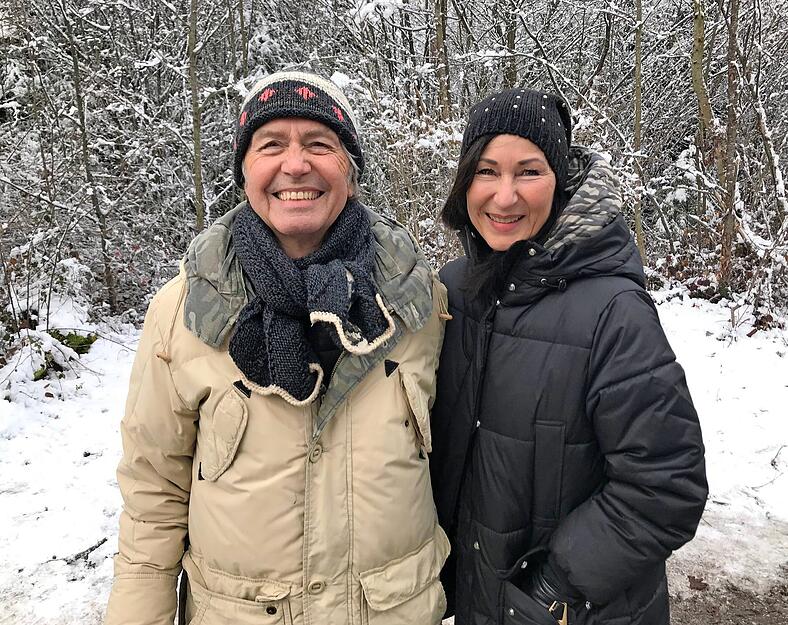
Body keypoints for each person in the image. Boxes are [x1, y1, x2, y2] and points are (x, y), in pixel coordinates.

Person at [105, 70, 450, 625]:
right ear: (245, 172)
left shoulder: (415, 303)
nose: (295, 165)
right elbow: (153, 490)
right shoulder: (185, 308)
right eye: (271, 146)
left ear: (351, 173)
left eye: (320, 144)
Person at [429, 88, 708, 625]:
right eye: (486, 171)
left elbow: (667, 484)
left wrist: (555, 583)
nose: (504, 197)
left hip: (573, 609)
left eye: (528, 171)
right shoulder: (453, 292)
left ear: (560, 181)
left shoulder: (612, 311)